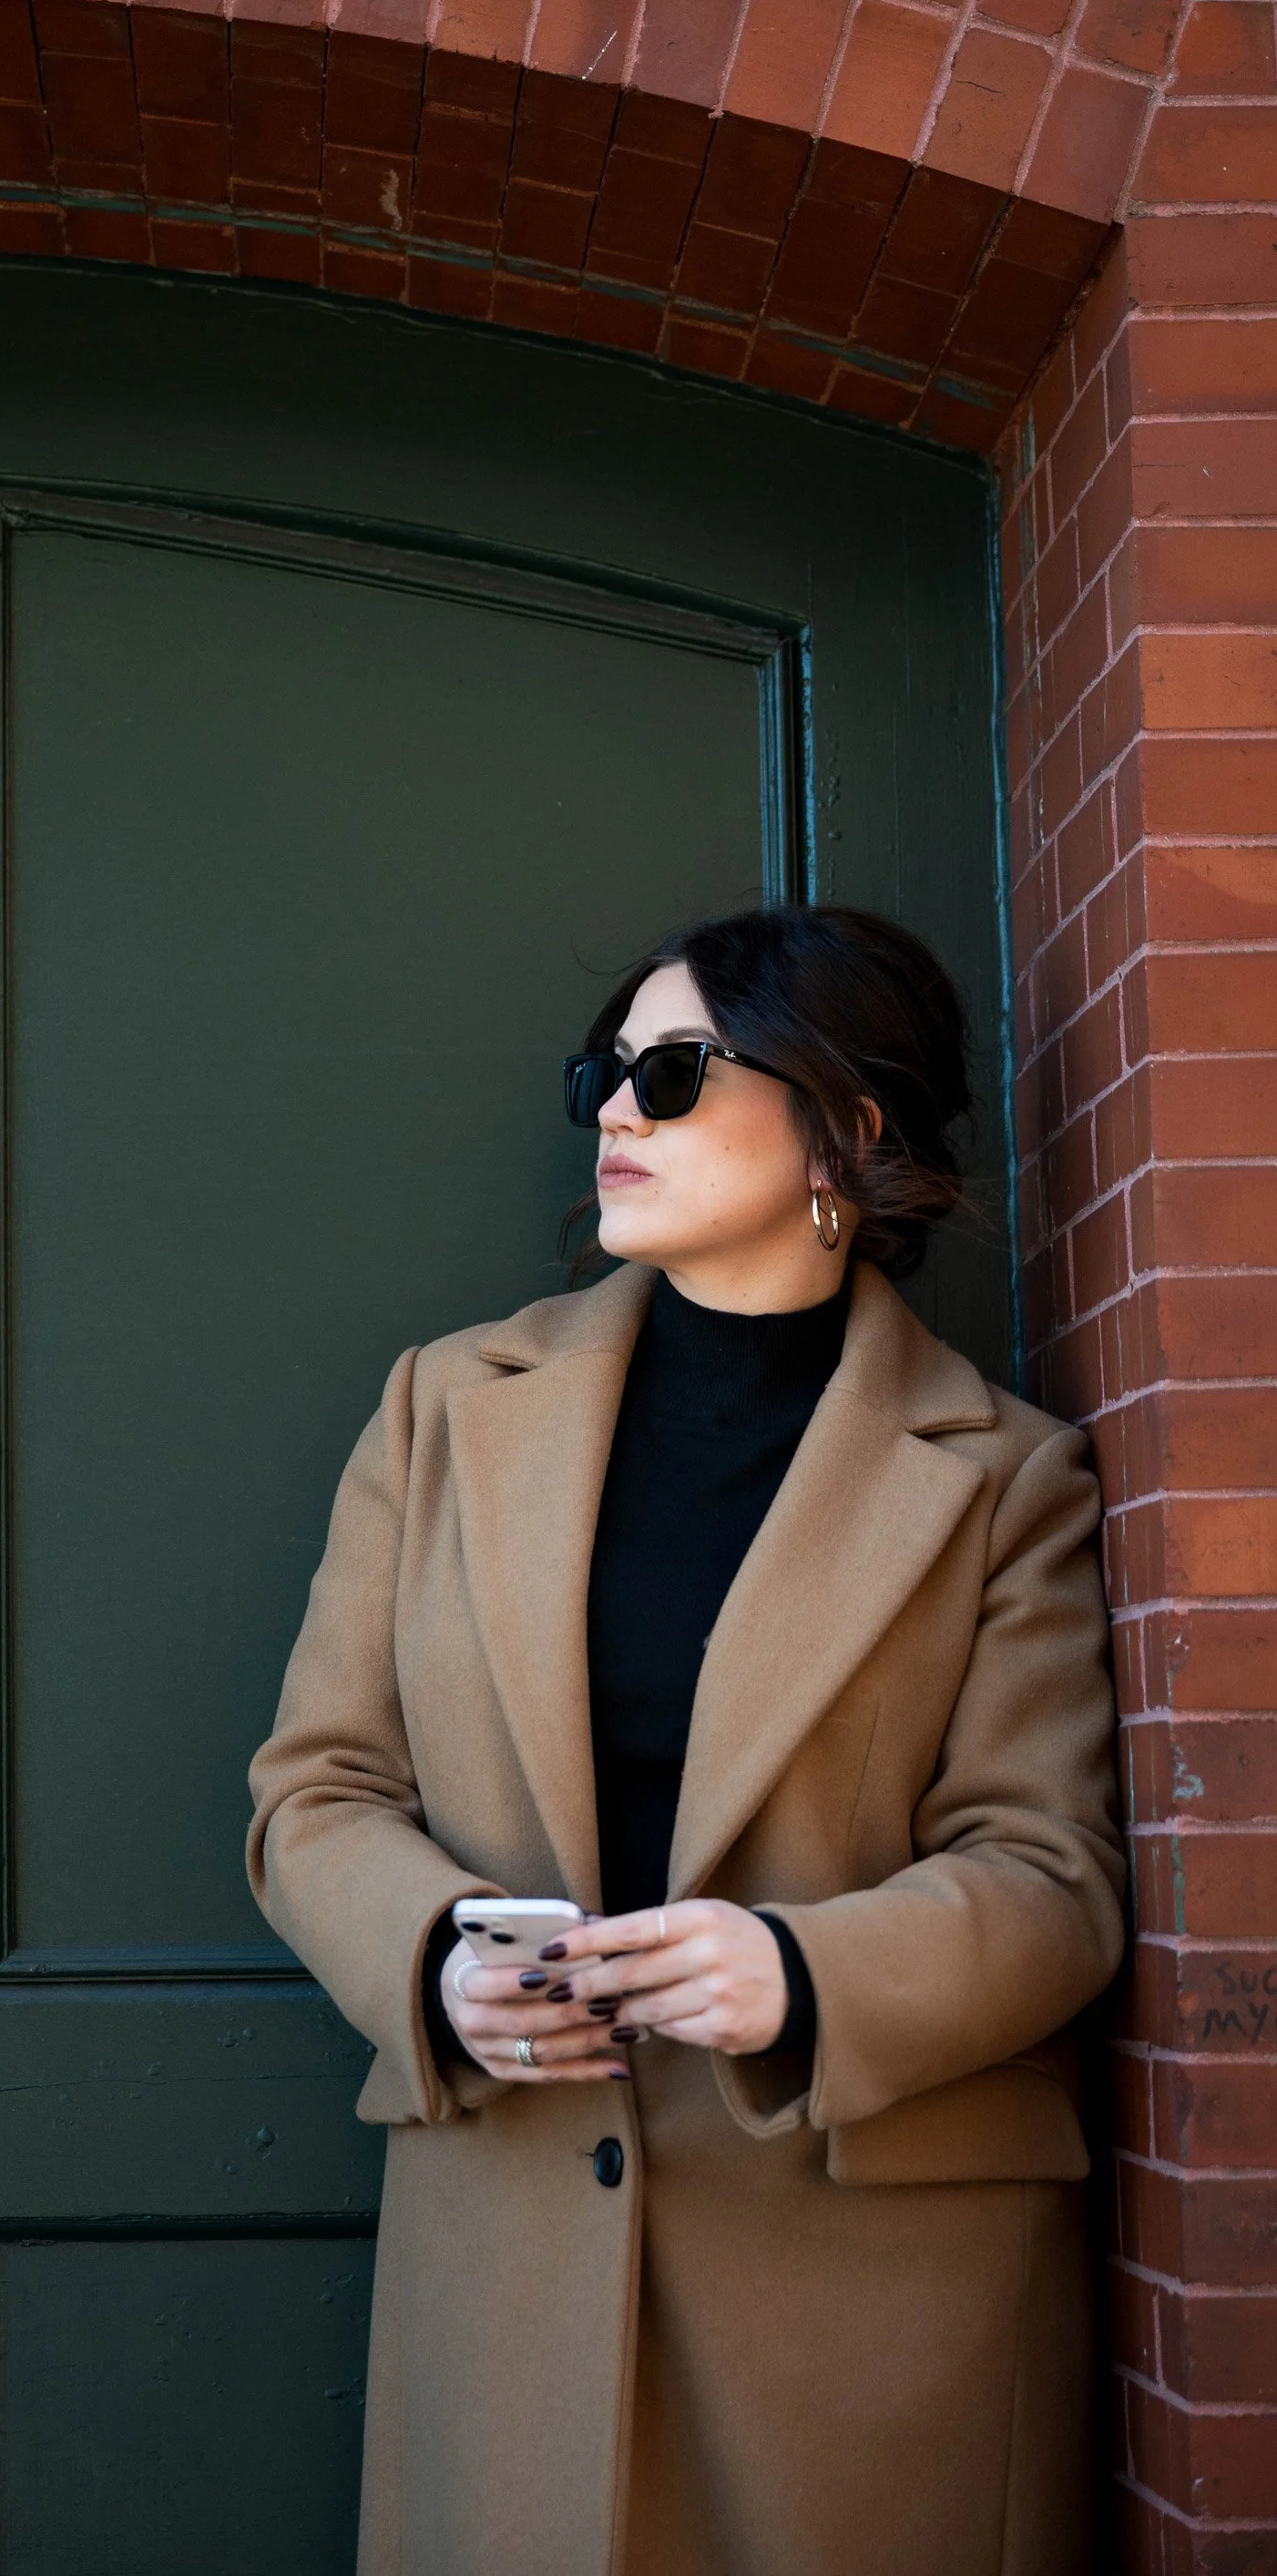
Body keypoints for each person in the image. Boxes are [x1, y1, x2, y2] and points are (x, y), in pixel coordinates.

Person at [246, 902, 1124, 2576]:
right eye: (604, 1071)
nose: (614, 1113)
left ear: (849, 1132)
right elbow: (318, 1786)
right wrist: (433, 1959)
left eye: (668, 1070)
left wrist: (800, 1970)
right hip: (512, 2274)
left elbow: (1053, 1875)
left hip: (868, 2320)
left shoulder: (1001, 1475)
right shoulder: (446, 1408)